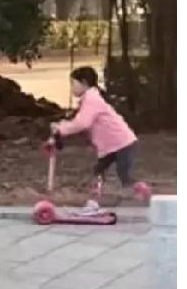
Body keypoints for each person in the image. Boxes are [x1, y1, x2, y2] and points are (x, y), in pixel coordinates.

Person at [51, 66, 151, 208]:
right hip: (113, 145)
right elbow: (80, 120)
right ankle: (95, 199)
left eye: (73, 84)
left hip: (122, 143)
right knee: (99, 170)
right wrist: (63, 126)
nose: (72, 88)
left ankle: (143, 193)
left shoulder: (92, 99)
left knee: (124, 176)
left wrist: (61, 128)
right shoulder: (90, 99)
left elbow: (82, 123)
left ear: (84, 83)